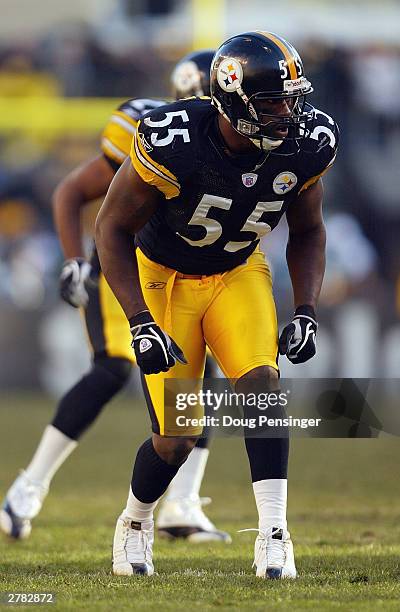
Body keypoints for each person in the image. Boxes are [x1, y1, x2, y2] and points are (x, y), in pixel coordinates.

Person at [95, 31, 339, 579]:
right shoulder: (174, 138)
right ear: (233, 99)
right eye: (274, 99)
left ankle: (275, 535)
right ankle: (136, 521)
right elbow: (110, 228)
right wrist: (138, 320)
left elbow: (309, 230)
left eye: (292, 96)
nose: (289, 111)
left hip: (236, 271)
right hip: (164, 278)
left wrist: (305, 309)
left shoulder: (309, 141)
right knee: (176, 437)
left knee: (263, 392)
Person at [1, 51, 230, 544]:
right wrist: (73, 260)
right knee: (112, 369)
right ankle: (28, 487)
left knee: (199, 374)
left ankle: (183, 504)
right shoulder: (149, 129)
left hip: (184, 274)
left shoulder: (246, 145)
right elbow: (71, 191)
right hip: (125, 266)